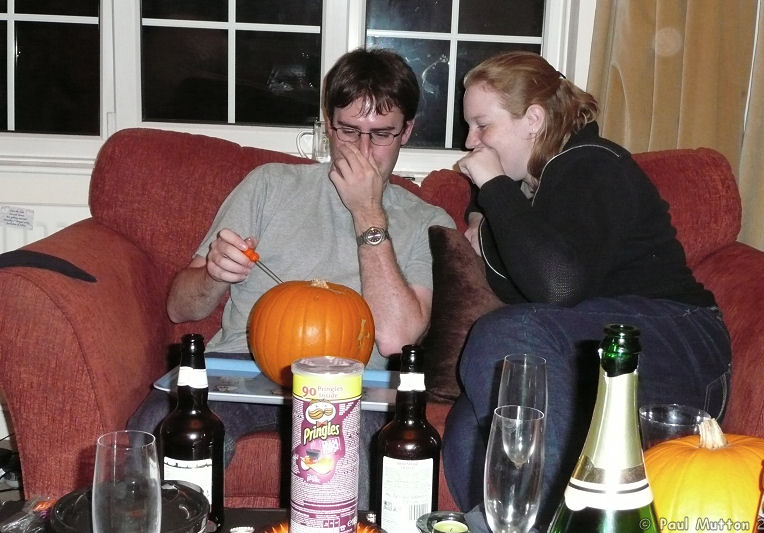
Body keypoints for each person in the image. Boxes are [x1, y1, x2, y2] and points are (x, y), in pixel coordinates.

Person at [128, 47, 455, 508]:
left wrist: (367, 212)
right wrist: (215, 274)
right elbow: (181, 308)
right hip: (239, 369)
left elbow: (396, 339)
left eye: (381, 135)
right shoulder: (269, 185)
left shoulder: (427, 219)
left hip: (349, 388)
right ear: (327, 123)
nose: (363, 150)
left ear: (407, 132)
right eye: (348, 131)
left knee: (349, 468)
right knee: (157, 432)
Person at [441, 50, 731, 527]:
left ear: (533, 119)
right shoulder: (538, 191)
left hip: (679, 344)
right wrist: (486, 213)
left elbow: (556, 287)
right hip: (614, 345)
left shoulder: (591, 163)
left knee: (500, 335)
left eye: (482, 125)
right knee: (474, 418)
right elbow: (528, 290)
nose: (471, 142)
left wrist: (491, 185)